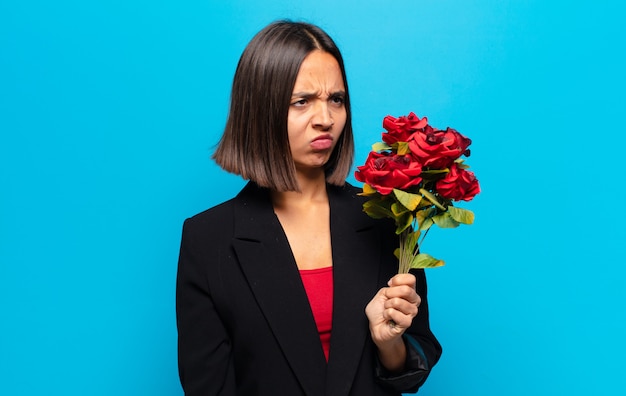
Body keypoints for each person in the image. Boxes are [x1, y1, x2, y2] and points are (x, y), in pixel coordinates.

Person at [176, 20, 442, 396]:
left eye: (336, 99)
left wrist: (389, 343)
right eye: (301, 102)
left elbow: (413, 367)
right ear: (260, 110)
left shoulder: (389, 217)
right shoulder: (208, 239)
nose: (326, 119)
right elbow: (208, 386)